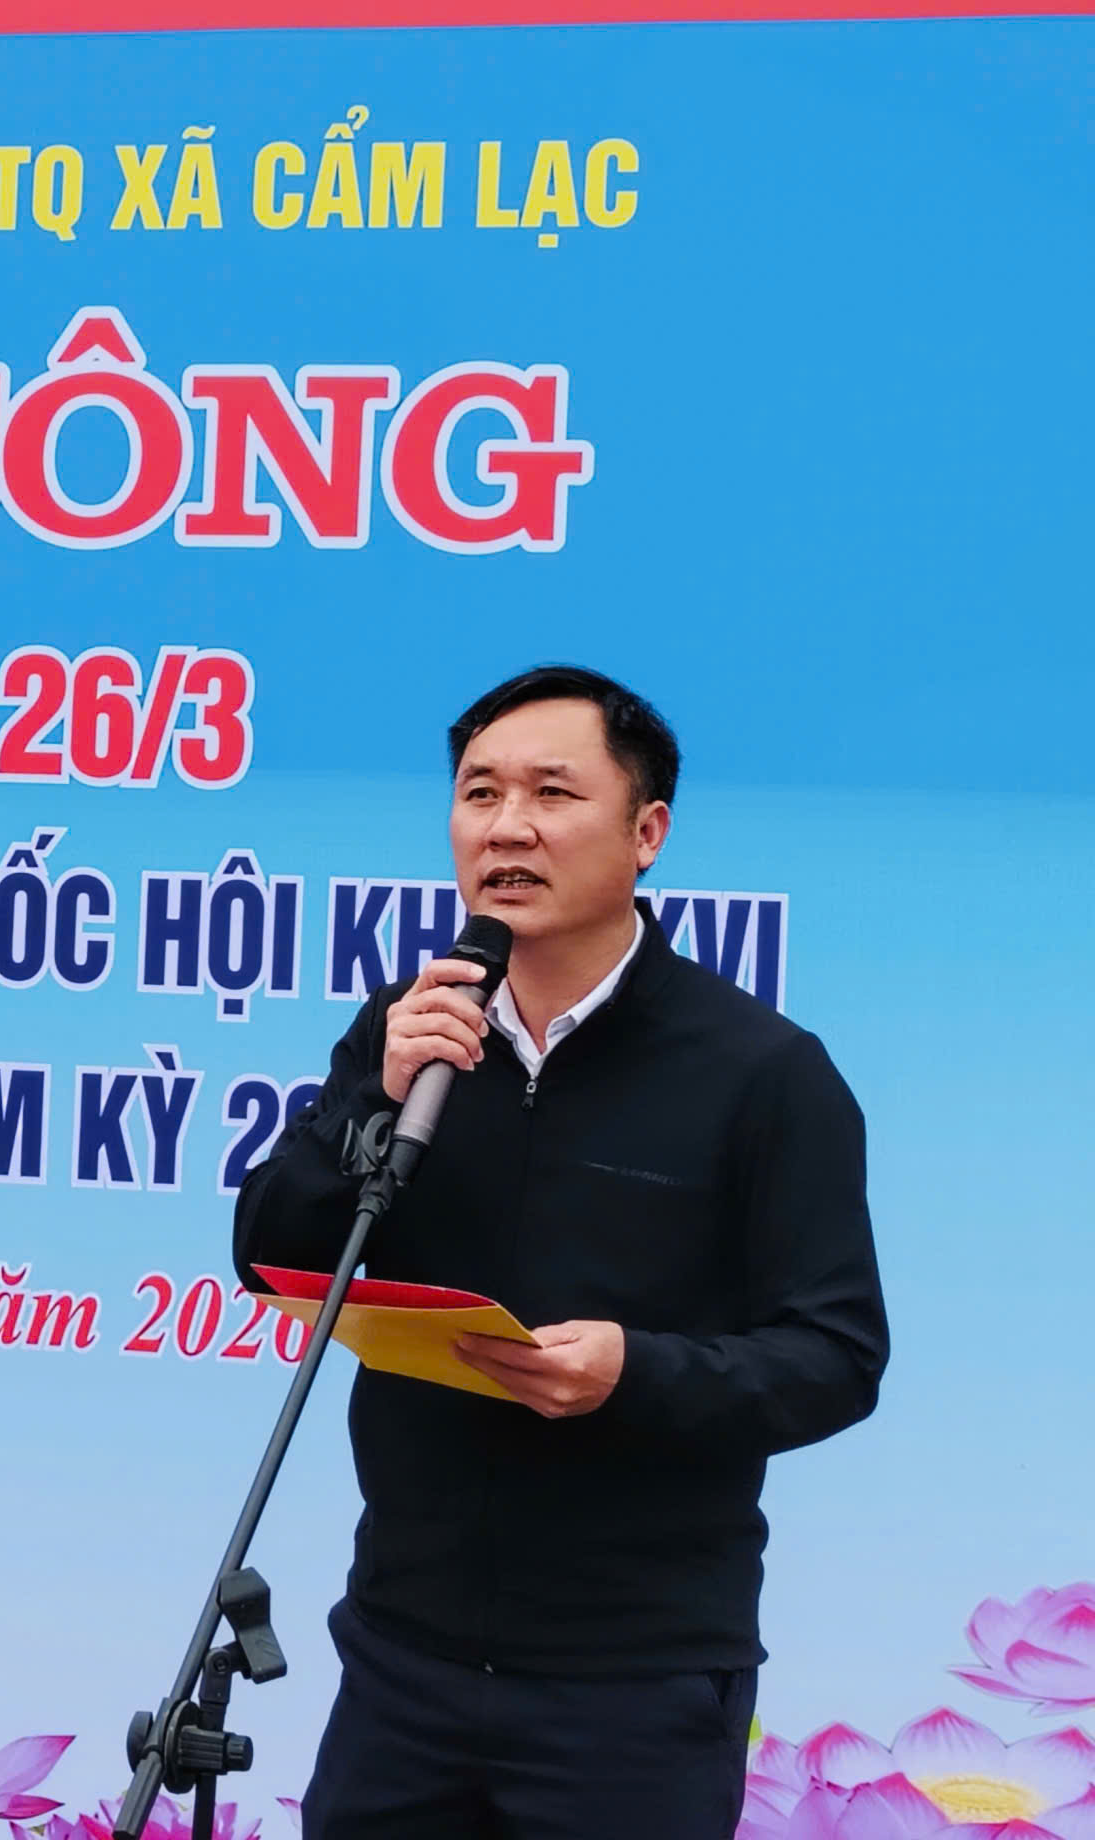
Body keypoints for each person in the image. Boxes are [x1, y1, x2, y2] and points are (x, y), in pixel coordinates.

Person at [231, 664, 888, 1840]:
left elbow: (835, 1356)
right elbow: (271, 1249)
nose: (507, 827)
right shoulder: (408, 1029)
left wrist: (635, 1372)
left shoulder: (761, 1072)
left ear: (647, 833)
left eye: (550, 793)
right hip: (403, 1653)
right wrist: (369, 1101)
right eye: (479, 793)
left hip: (633, 1683)